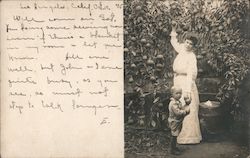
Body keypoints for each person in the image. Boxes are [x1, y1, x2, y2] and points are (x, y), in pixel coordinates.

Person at [169, 24, 202, 144]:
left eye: (191, 44)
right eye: (187, 42)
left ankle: (188, 137)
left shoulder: (192, 56)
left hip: (186, 83)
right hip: (178, 80)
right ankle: (178, 133)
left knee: (186, 105)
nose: (188, 45)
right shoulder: (182, 49)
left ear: (194, 46)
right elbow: (175, 44)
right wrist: (173, 32)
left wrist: (187, 91)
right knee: (178, 106)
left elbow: (190, 75)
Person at [168, 86, 190, 155]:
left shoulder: (178, 101)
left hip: (177, 121)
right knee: (174, 135)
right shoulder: (173, 103)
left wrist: (186, 105)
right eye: (177, 93)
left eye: (180, 93)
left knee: (175, 135)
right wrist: (185, 112)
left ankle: (174, 147)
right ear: (172, 94)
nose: (179, 95)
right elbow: (177, 112)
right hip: (174, 121)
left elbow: (181, 108)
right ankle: (172, 149)